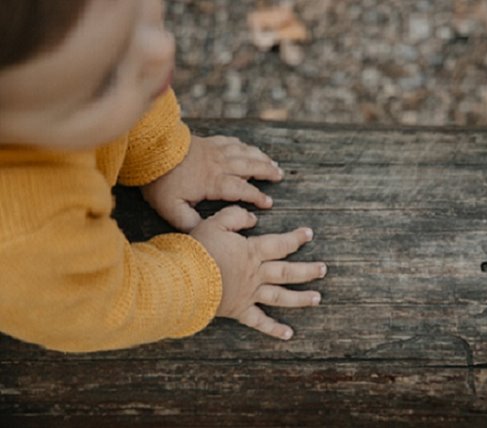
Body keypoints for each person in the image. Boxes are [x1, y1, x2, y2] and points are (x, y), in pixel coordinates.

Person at [0, 0, 326, 353]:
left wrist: (159, 151)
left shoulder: (55, 73)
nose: (162, 50)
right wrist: (205, 278)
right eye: (107, 80)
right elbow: (96, 306)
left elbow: (95, 46)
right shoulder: (19, 235)